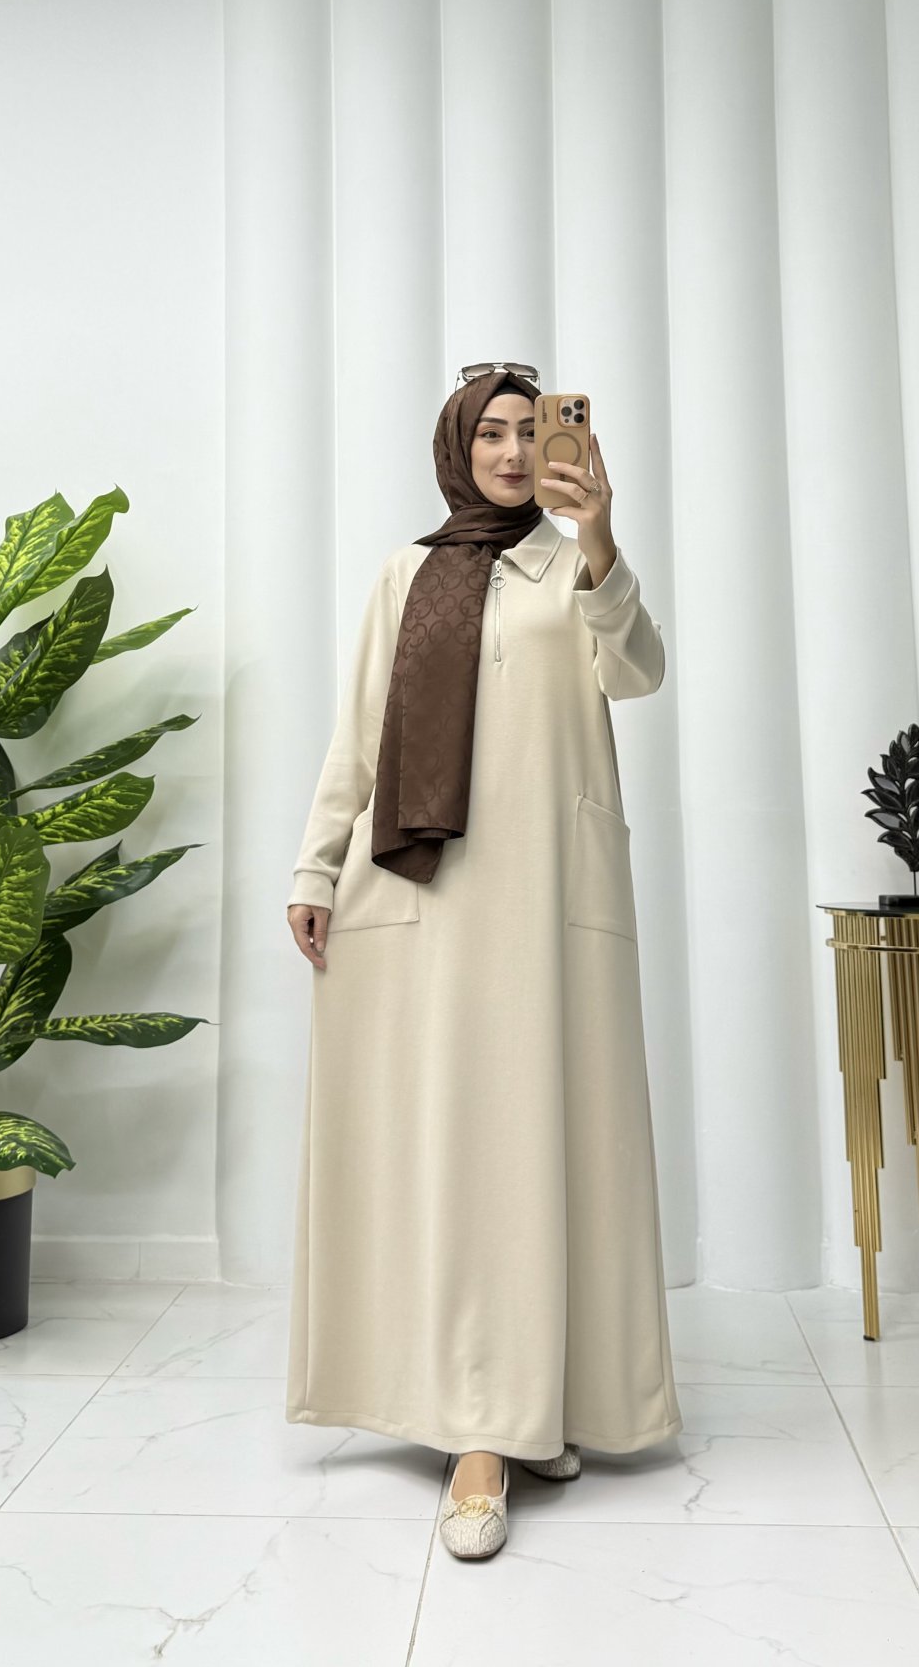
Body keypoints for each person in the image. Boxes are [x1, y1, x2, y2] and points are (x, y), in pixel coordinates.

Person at [285, 364, 682, 1561]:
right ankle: (478, 1422)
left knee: (543, 1144)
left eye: (529, 430)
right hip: (425, 890)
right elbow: (358, 734)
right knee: (450, 1149)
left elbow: (636, 670)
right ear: (457, 447)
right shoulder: (405, 574)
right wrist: (315, 868)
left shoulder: (576, 565)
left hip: (549, 899)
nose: (512, 451)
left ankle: (525, 1405)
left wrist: (597, 533)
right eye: (491, 433)